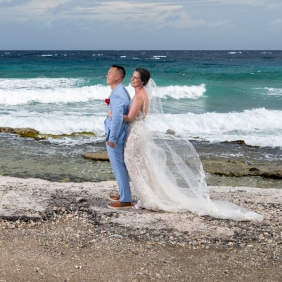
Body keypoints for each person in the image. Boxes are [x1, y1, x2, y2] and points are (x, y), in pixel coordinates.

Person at [111, 67, 263, 221]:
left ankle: (145, 199)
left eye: (136, 77)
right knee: (140, 164)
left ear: (142, 81)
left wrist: (113, 114)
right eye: (132, 76)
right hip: (139, 132)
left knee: (133, 163)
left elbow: (130, 118)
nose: (132, 79)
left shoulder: (139, 97)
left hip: (136, 133)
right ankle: (145, 196)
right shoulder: (141, 94)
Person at [103, 65, 132, 209]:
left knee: (118, 167)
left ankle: (125, 199)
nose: (106, 75)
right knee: (118, 166)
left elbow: (117, 119)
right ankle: (123, 194)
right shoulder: (119, 91)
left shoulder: (118, 94)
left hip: (116, 136)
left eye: (109, 73)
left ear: (117, 77)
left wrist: (112, 138)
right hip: (118, 134)